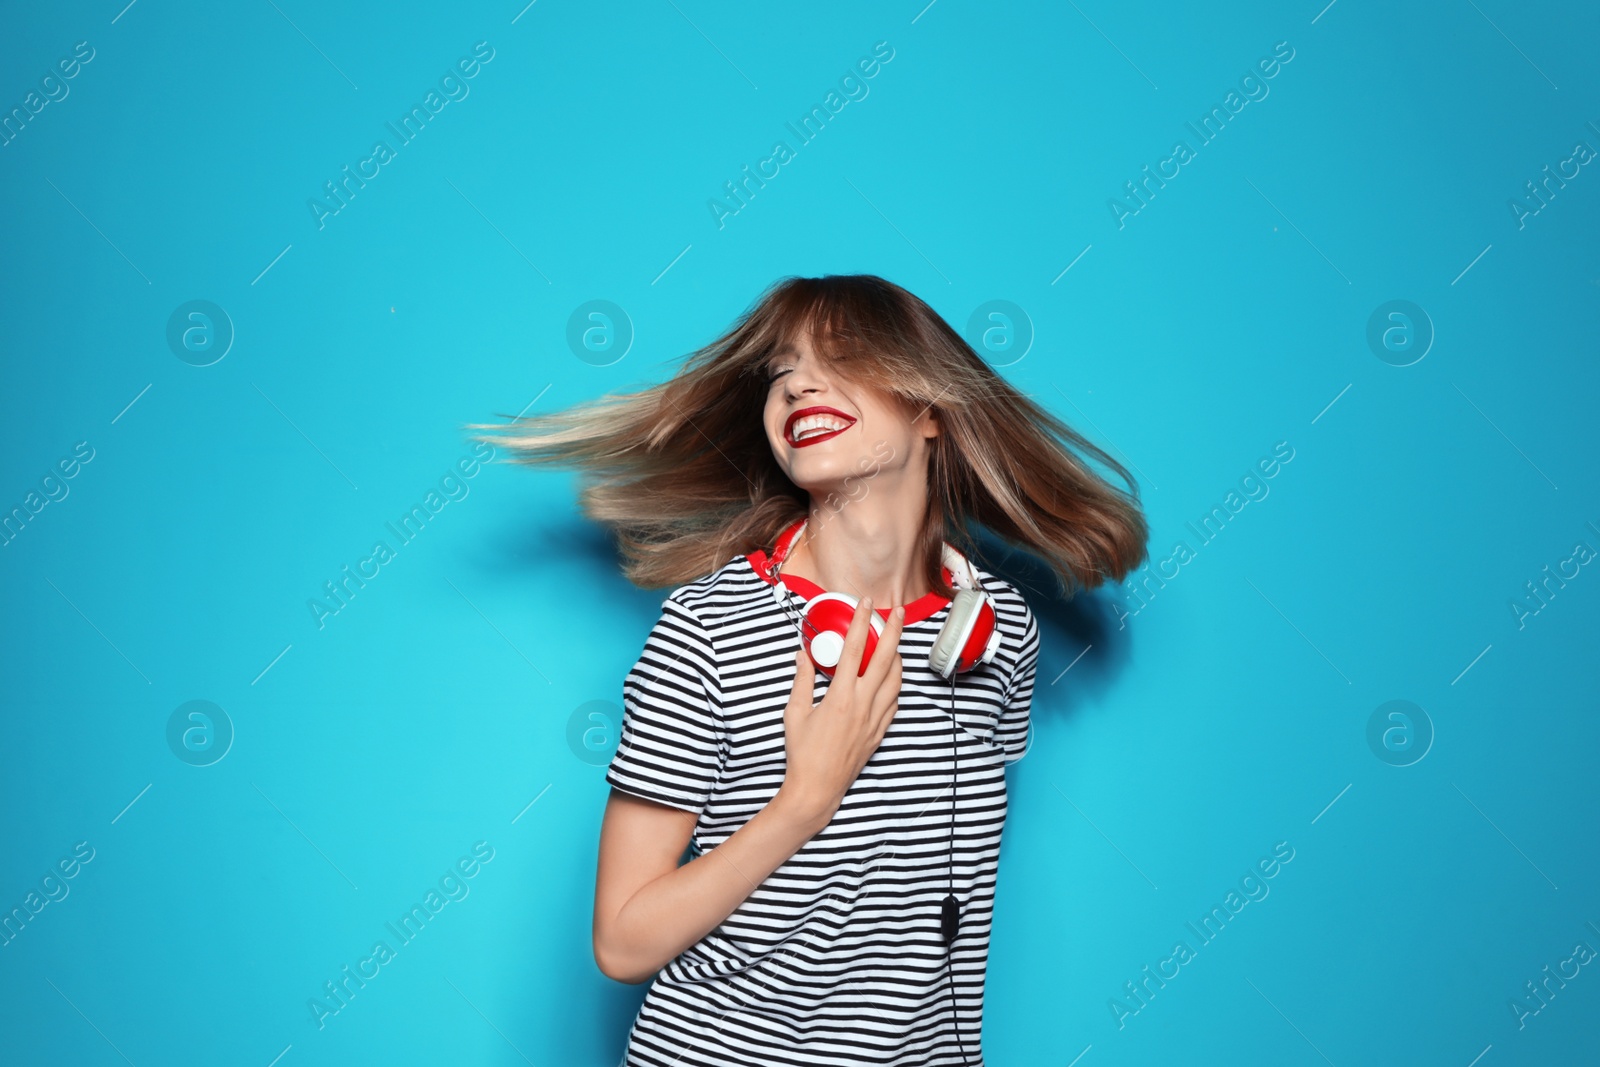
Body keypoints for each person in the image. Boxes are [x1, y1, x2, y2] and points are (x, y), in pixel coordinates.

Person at [469, 274, 1148, 1065]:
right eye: (779, 371)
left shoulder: (995, 635)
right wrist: (806, 798)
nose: (798, 383)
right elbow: (622, 941)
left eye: (845, 355)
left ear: (930, 409)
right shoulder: (710, 627)